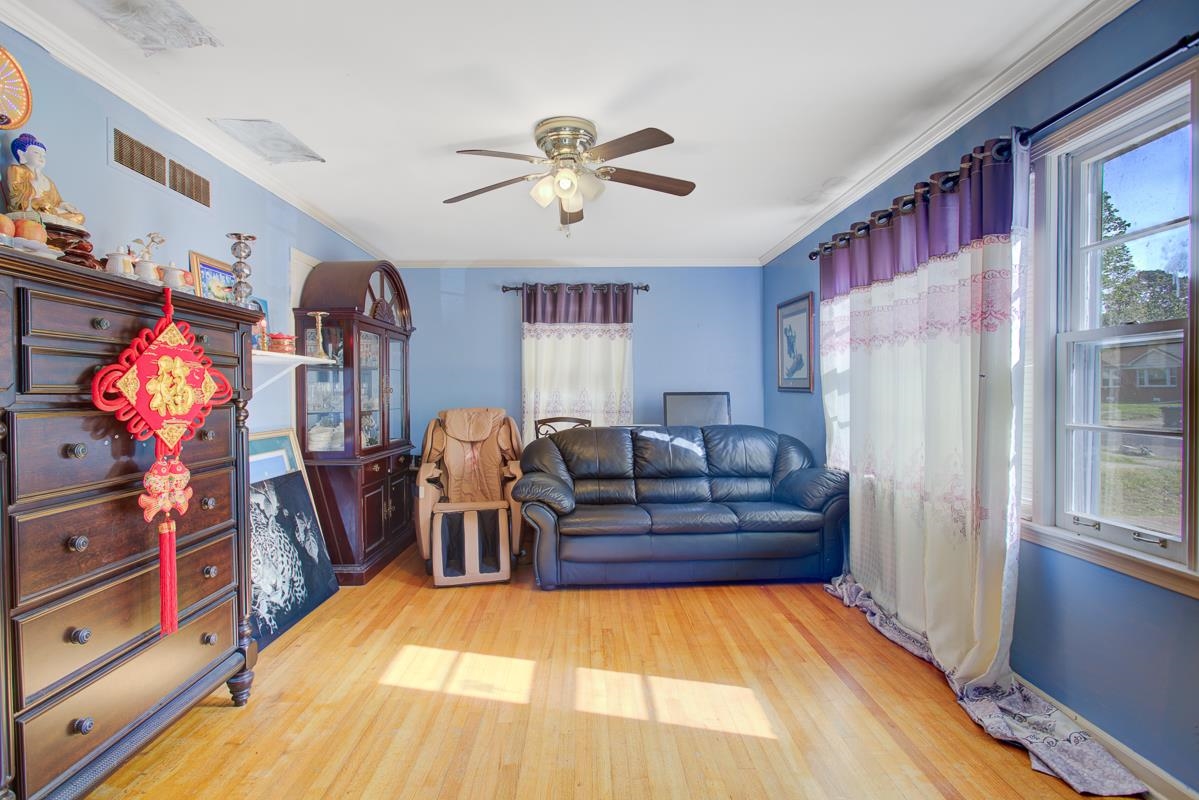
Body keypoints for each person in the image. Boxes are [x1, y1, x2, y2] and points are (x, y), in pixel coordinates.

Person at [6, 133, 86, 227]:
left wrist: (64, 205)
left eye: (43, 155)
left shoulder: (48, 180)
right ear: (22, 154)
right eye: (36, 153)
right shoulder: (17, 170)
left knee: (80, 217)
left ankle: (51, 216)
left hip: (50, 210)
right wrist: (34, 183)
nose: (41, 157)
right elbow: (17, 197)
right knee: (42, 205)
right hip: (33, 206)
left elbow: (56, 201)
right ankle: (49, 215)